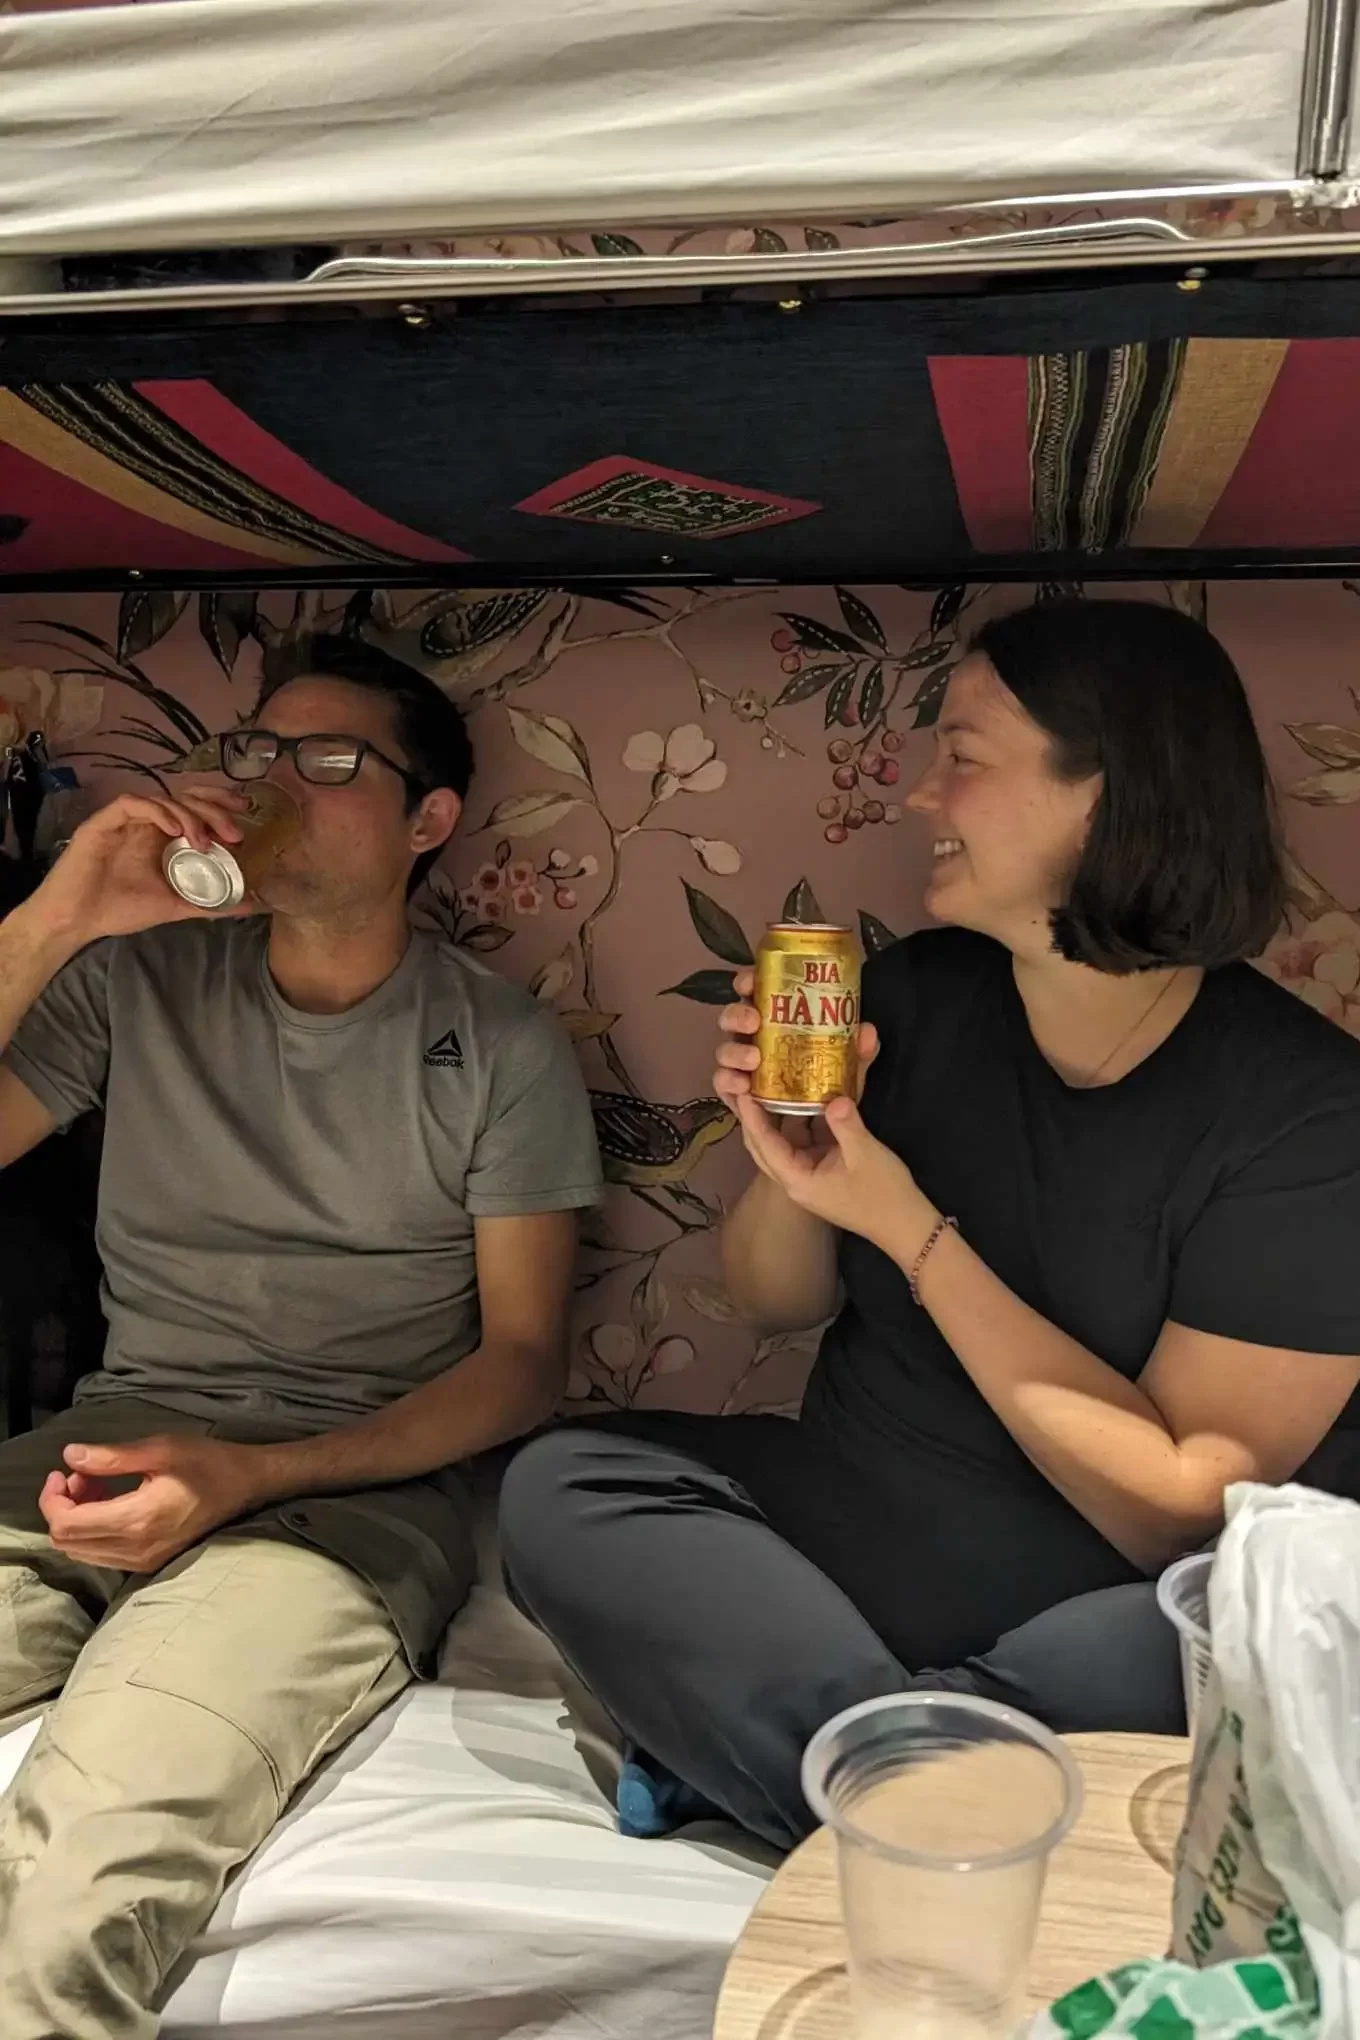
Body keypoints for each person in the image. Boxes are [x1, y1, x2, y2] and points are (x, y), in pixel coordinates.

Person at [499, 598, 1360, 1852]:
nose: (918, 795)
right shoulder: (911, 995)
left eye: (961, 756)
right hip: (863, 1525)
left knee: (1212, 1626)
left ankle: (818, 1775)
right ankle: (926, 1779)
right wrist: (794, 1170)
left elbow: (1180, 1506)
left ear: (1107, 795)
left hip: (1101, 1589)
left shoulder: (1308, 1117)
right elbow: (777, 1302)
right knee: (569, 1483)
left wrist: (906, 1224)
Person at [0, 633, 601, 2038]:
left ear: (428, 821)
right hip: (100, 1442)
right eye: (256, 750)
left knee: (91, 1853)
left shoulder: (499, 1047)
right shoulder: (136, 980)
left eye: (328, 761)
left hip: (343, 1502)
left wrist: (254, 1477)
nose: (269, 780)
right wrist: (51, 918)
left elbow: (521, 1365)